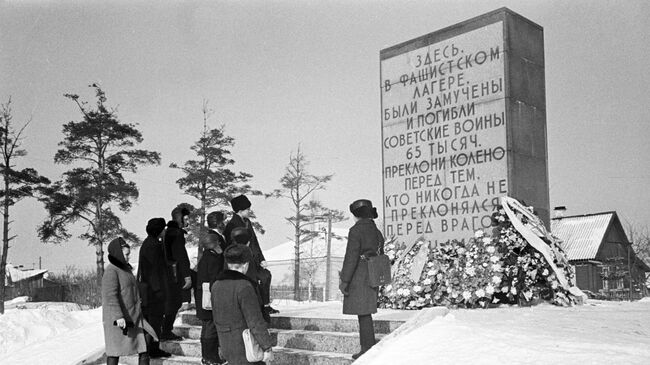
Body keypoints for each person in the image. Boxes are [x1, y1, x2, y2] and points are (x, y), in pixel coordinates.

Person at [212, 244, 274, 365]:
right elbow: (255, 321)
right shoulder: (244, 286)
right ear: (246, 264)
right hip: (245, 346)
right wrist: (267, 347)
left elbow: (215, 317)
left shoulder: (216, 285)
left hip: (226, 344)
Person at [339, 199, 385, 360]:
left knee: (363, 314)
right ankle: (368, 347)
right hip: (373, 274)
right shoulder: (377, 232)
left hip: (359, 276)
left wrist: (344, 280)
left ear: (357, 215)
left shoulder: (355, 231)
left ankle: (367, 349)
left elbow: (351, 257)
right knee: (366, 313)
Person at [224, 194, 278, 316]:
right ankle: (259, 307)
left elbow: (255, 241)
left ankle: (265, 305)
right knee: (254, 282)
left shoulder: (247, 222)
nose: (249, 211)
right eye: (247, 209)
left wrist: (262, 259)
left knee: (266, 276)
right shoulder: (232, 225)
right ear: (240, 210)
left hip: (254, 258)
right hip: (242, 261)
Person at [102, 237, 149, 365]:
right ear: (118, 253)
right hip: (119, 321)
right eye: (126, 254)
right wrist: (119, 316)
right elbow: (110, 296)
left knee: (144, 348)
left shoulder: (125, 269)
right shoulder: (111, 271)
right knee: (114, 352)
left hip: (134, 316)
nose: (128, 257)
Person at [194, 211, 228, 365]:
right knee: (211, 328)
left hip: (203, 296)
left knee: (207, 327)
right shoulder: (214, 259)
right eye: (219, 243)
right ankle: (210, 357)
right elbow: (216, 278)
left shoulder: (206, 257)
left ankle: (207, 356)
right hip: (210, 298)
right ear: (215, 244)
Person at [137, 218, 172, 358]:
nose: (164, 231)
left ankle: (150, 348)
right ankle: (152, 349)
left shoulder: (148, 243)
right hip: (154, 291)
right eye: (163, 229)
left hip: (150, 289)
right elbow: (155, 271)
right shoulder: (153, 246)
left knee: (153, 321)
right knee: (155, 321)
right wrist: (161, 290)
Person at [161, 206, 193, 340]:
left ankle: (165, 330)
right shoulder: (177, 233)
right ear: (179, 219)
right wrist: (187, 275)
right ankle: (166, 331)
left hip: (168, 272)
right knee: (174, 303)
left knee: (173, 303)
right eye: (185, 219)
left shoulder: (168, 232)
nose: (188, 222)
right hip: (176, 272)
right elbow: (181, 255)